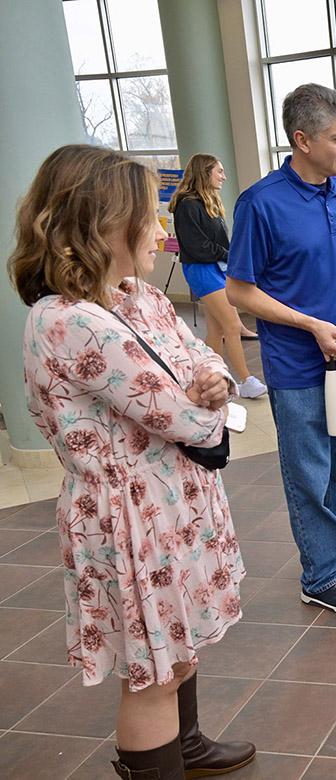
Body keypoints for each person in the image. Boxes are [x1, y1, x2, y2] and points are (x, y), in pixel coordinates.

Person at [9, 144, 254, 779]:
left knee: (177, 649)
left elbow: (198, 353)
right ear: (99, 225)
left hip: (167, 507)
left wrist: (214, 379)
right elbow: (182, 415)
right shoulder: (69, 322)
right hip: (131, 519)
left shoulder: (133, 295)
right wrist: (209, 399)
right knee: (154, 674)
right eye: (148, 216)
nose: (161, 229)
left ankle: (188, 747)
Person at [226, 83, 336, 615]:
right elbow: (240, 291)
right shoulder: (260, 203)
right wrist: (311, 325)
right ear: (302, 139)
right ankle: (318, 576)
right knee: (309, 472)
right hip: (298, 366)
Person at [169, 153, 268, 399]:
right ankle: (246, 381)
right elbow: (196, 246)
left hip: (217, 267)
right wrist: (230, 254)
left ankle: (215, 375)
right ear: (205, 173)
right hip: (203, 270)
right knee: (233, 325)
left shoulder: (207, 200)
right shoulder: (188, 204)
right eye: (219, 171)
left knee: (217, 330)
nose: (224, 176)